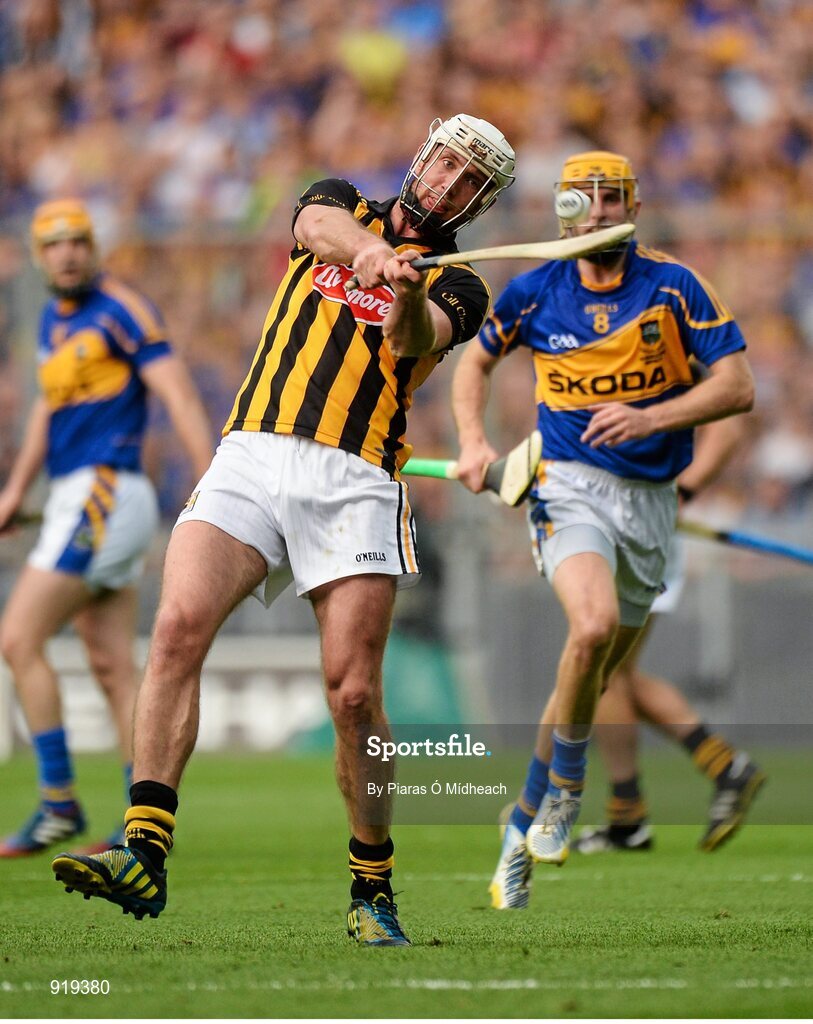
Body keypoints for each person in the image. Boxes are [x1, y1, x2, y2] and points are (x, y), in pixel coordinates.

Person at [50, 114, 516, 945]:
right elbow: (314, 226)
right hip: (254, 451)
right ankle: (143, 849)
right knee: (176, 628)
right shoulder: (344, 202)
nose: (448, 184)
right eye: (445, 163)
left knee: (352, 693)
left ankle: (371, 886)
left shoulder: (459, 284)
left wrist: (406, 290)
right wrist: (368, 253)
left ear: (479, 204)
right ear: (422, 156)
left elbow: (415, 340)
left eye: (468, 181)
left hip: (355, 478)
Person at [451, 151, 755, 911]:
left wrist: (652, 418)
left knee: (590, 673)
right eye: (581, 201)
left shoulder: (674, 288)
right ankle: (566, 789)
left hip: (651, 505)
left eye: (611, 200)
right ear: (561, 213)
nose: (596, 214)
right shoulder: (533, 292)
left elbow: (737, 387)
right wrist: (473, 442)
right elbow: (472, 366)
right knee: (588, 630)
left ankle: (520, 820)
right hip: (568, 486)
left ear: (633, 208)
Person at [0, 199, 213, 858]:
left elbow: (178, 394)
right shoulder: (53, 321)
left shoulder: (123, 310)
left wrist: (210, 481)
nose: (67, 253)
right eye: (53, 244)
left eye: (77, 241)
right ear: (39, 258)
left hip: (105, 492)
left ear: (94, 248)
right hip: (77, 494)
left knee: (17, 637)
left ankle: (58, 802)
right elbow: (47, 411)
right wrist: (16, 492)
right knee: (112, 664)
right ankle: (138, 819)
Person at [576, 414, 767, 855]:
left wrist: (684, 491)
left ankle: (629, 815)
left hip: (637, 532)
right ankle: (722, 769)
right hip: (612, 527)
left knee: (600, 669)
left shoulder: (663, 367)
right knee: (613, 671)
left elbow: (728, 429)